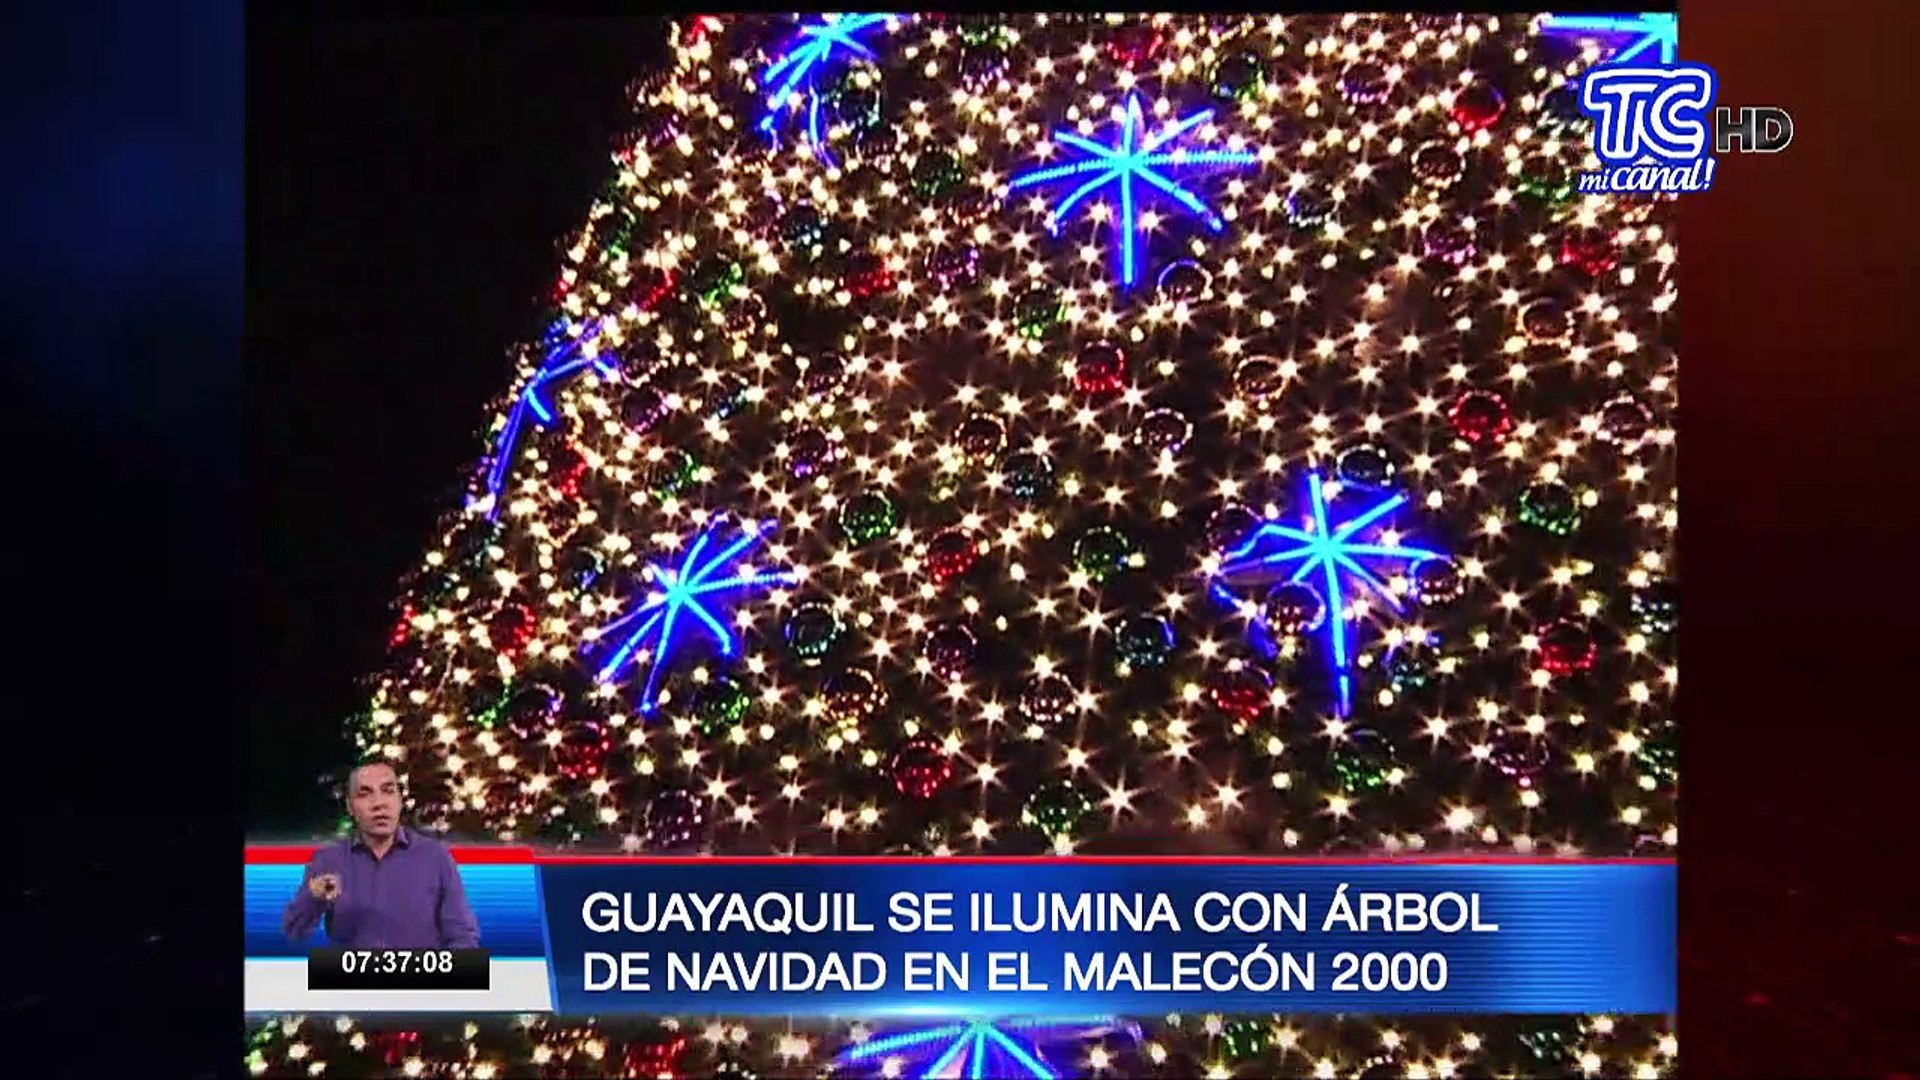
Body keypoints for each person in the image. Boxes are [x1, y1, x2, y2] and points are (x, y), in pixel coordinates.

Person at [282, 758, 479, 948]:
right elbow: (294, 932)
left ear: (400, 800)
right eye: (365, 794)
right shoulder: (329, 860)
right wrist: (314, 896)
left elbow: (462, 936)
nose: (379, 804)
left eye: (387, 791)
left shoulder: (435, 858)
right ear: (350, 807)